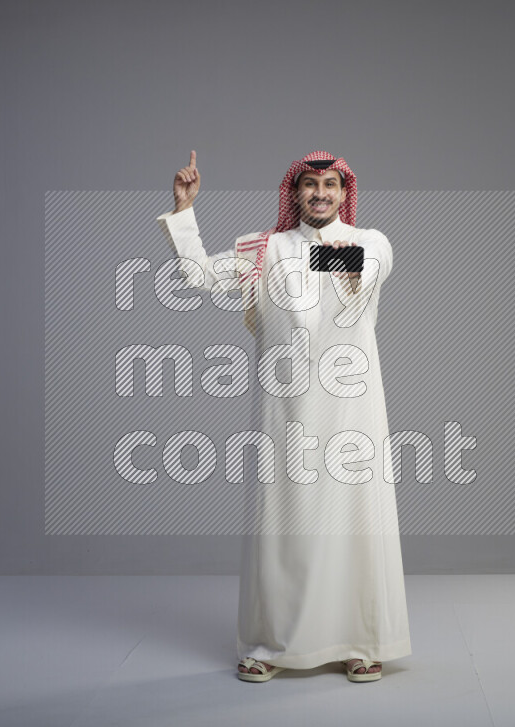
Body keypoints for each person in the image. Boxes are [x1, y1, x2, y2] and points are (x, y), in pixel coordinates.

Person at [157, 150, 411, 683]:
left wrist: (325, 252)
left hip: (351, 411)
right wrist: (184, 212)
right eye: (310, 185)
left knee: (354, 521)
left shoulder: (372, 242)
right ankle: (268, 644)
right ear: (294, 194)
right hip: (286, 409)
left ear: (345, 194)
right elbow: (201, 277)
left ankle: (361, 642)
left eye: (331, 186)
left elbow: (355, 268)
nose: (320, 194)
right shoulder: (265, 249)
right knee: (283, 523)